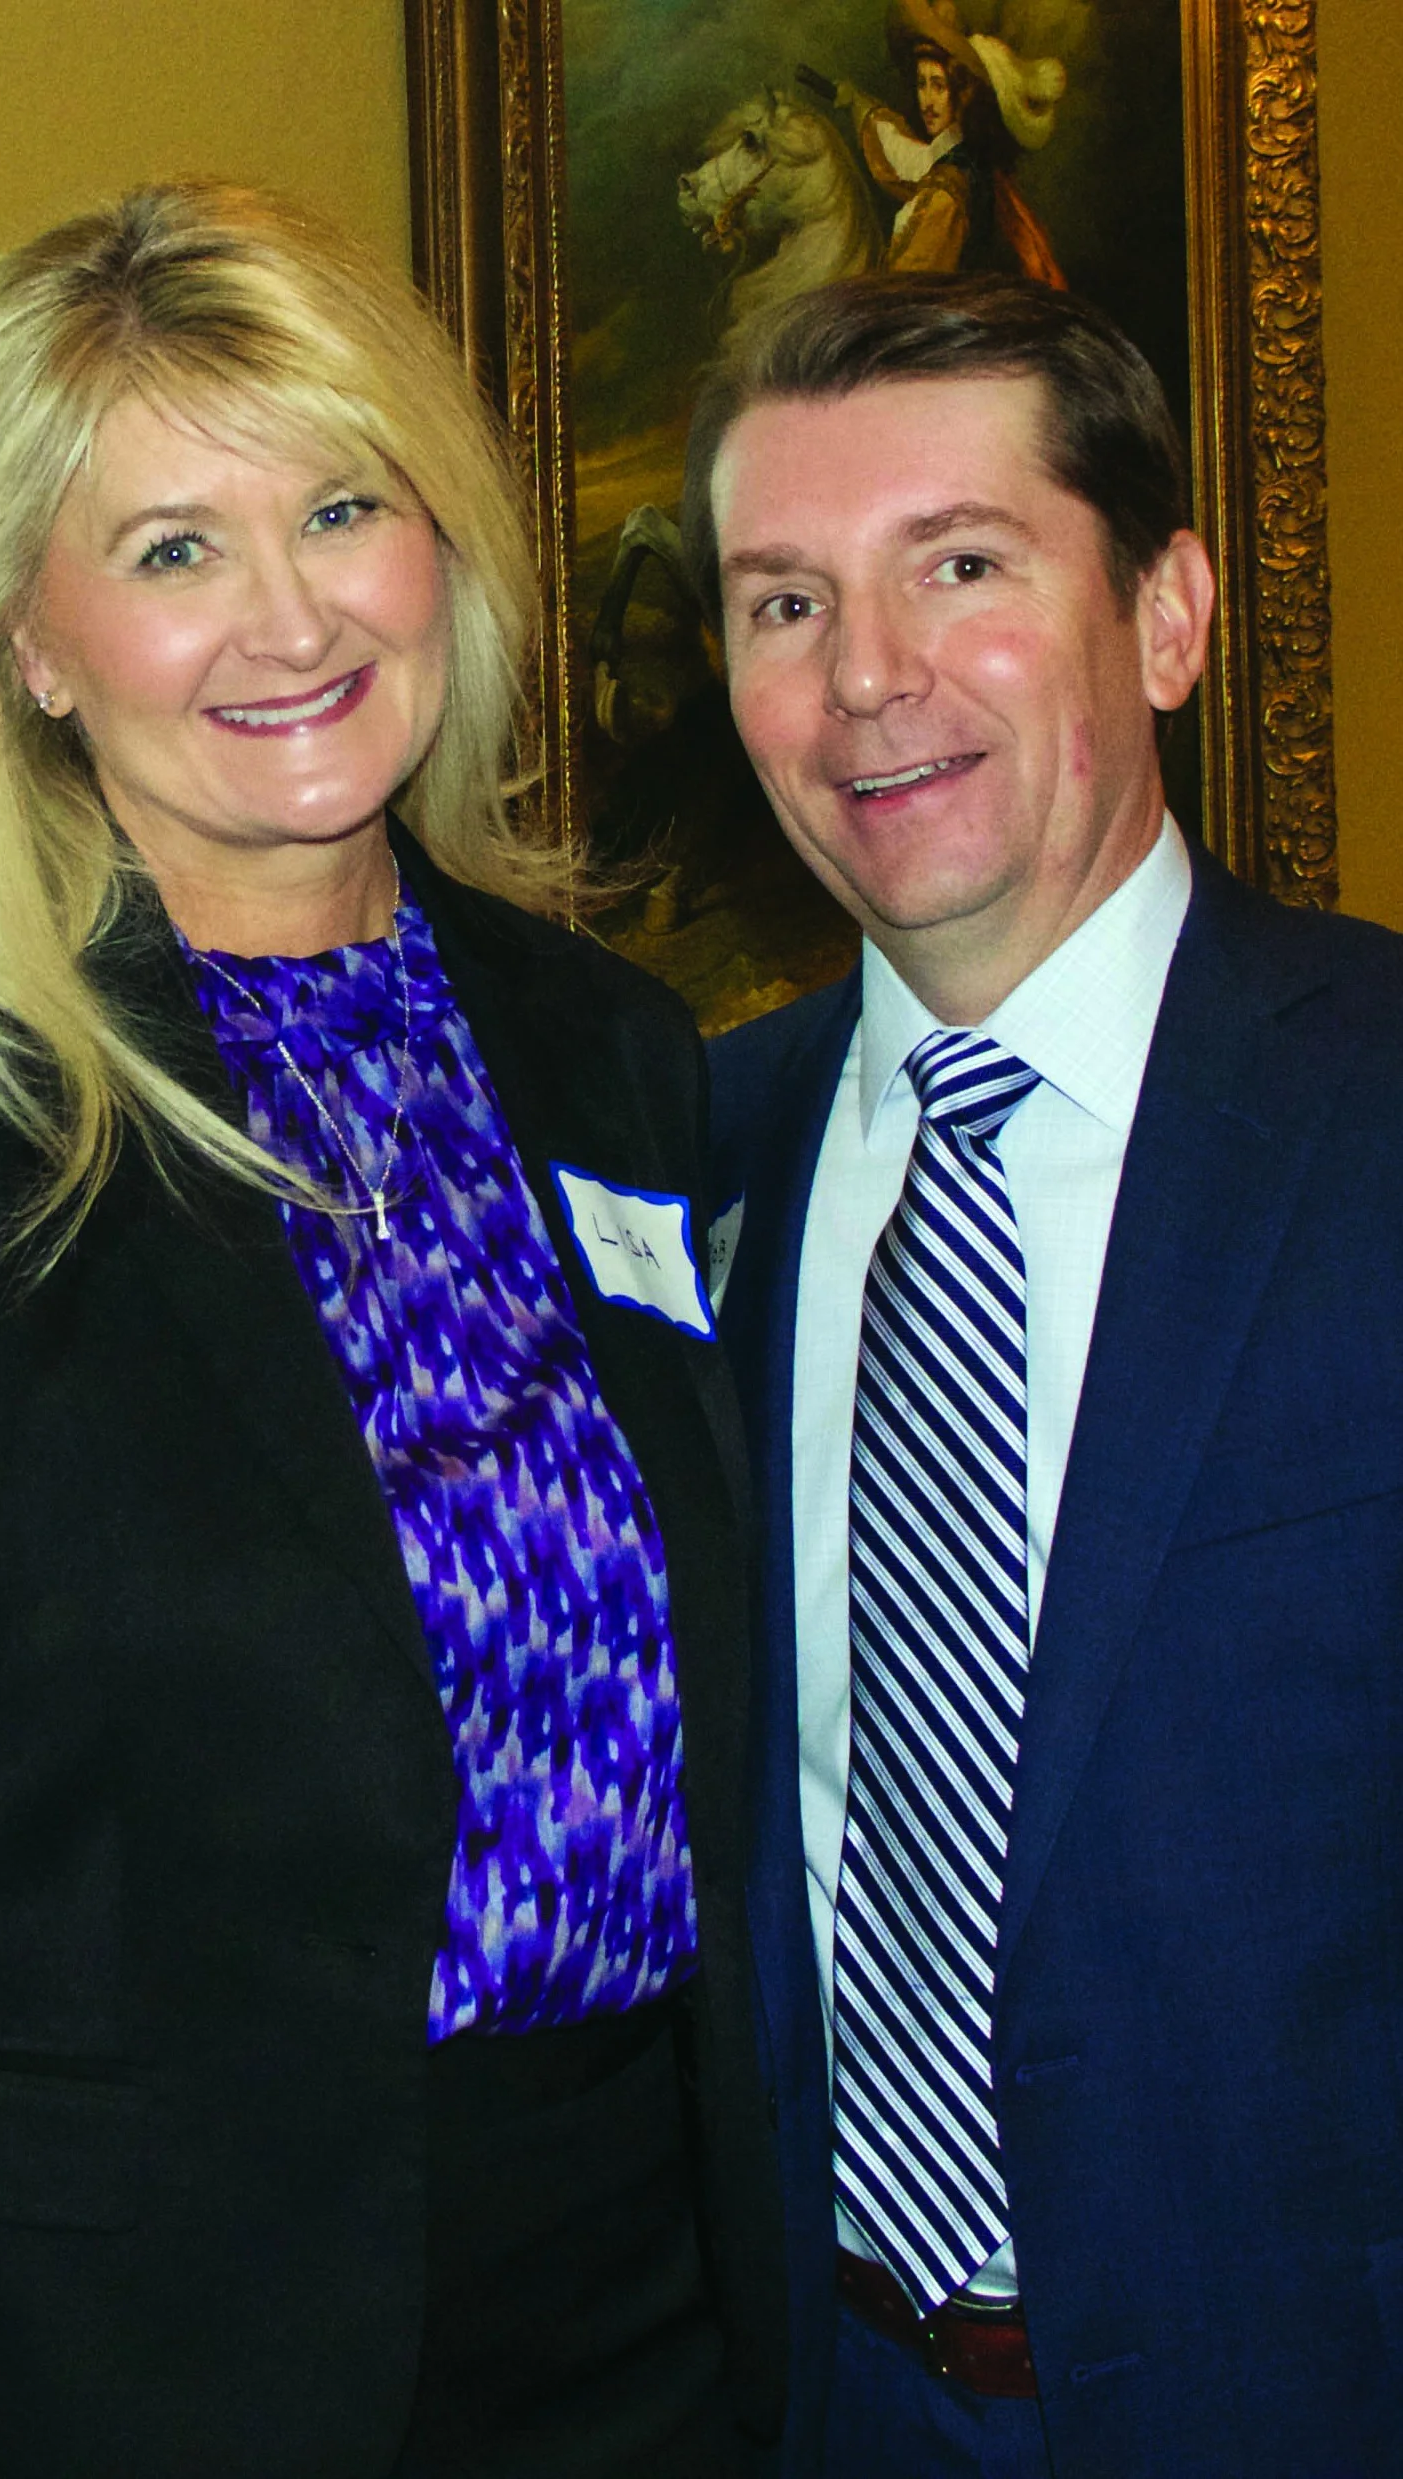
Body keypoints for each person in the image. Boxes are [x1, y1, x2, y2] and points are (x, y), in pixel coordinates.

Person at [0, 183, 785, 2477]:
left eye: (340, 505)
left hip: (651, 2312)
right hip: (119, 2359)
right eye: (171, 548)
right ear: (29, 640)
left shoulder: (609, 1048)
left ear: (444, 540)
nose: (293, 616)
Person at [682, 269, 1403, 2477]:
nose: (867, 679)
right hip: (803, 2406)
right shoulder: (675, 1174)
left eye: (961, 567)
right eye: (780, 602)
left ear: (1167, 618)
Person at [826, 0, 1065, 284]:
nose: (927, 101)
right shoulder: (957, 157)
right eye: (921, 84)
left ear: (962, 94)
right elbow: (909, 159)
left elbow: (908, 287)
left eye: (938, 86)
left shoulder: (949, 190)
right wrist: (856, 102)